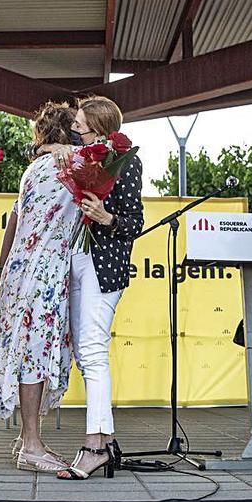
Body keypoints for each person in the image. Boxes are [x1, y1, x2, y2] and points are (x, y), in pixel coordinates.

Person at [0, 102, 81, 473]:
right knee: (35, 353)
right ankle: (31, 443)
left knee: (25, 349)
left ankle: (29, 439)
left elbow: (15, 217)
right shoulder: (70, 163)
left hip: (20, 269)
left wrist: (1, 266)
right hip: (44, 270)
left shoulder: (34, 168)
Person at [53, 96, 144, 480]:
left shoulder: (126, 162)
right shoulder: (78, 156)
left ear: (99, 126)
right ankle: (104, 441)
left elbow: (135, 222)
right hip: (75, 259)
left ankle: (94, 446)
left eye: (80, 122)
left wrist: (105, 217)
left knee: (92, 351)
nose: (74, 126)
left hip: (102, 265)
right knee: (85, 352)